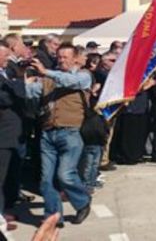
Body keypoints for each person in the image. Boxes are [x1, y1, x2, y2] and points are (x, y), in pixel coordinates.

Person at [24, 43, 92, 226]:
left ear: (76, 58)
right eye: (59, 57)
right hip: (48, 132)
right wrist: (20, 82)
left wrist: (46, 72)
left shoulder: (83, 76)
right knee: (46, 179)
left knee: (65, 174)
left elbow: (70, 82)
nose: (61, 60)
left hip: (70, 132)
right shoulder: (48, 78)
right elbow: (31, 92)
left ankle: (82, 202)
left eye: (65, 57)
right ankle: (53, 216)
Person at [0, 42, 26, 221]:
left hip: (11, 133)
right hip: (3, 134)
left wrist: (17, 83)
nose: (7, 60)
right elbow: (7, 98)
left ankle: (2, 211)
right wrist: (19, 86)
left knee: (7, 176)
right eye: (4, 56)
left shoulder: (7, 73)